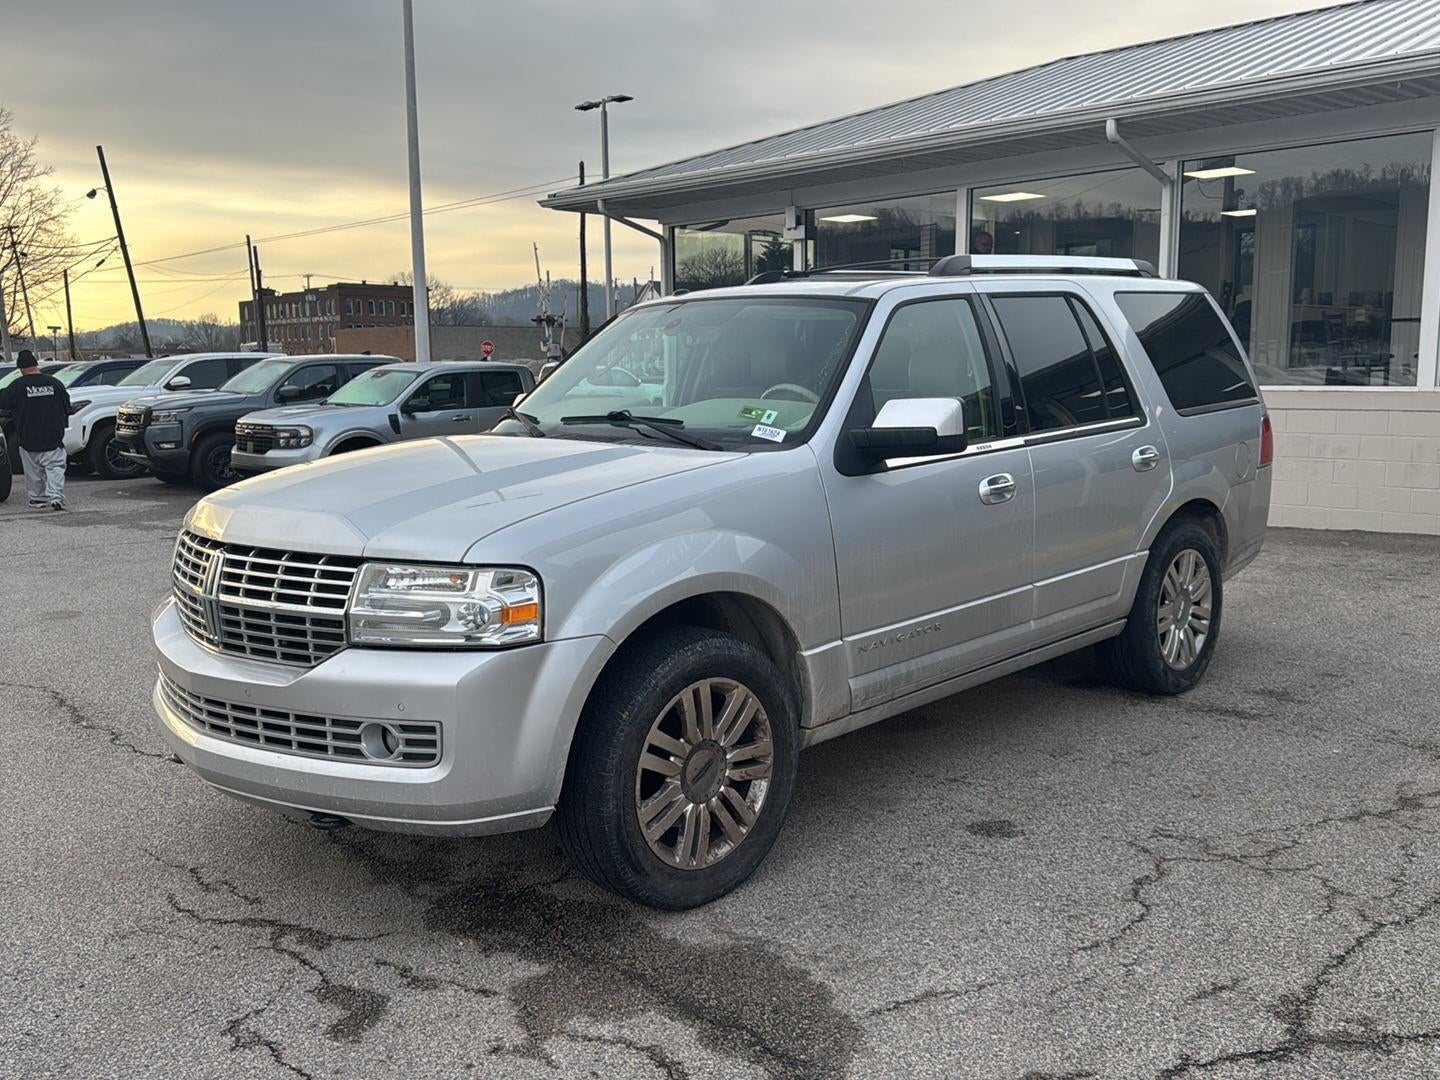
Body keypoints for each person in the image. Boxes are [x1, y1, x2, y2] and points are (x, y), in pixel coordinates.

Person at [0, 349, 70, 510]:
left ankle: (37, 499)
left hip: (28, 438)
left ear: (21, 368)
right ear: (36, 364)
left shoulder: (17, 386)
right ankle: (56, 497)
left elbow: (3, 402)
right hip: (53, 436)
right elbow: (67, 406)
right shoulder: (55, 383)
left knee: (33, 472)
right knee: (55, 468)